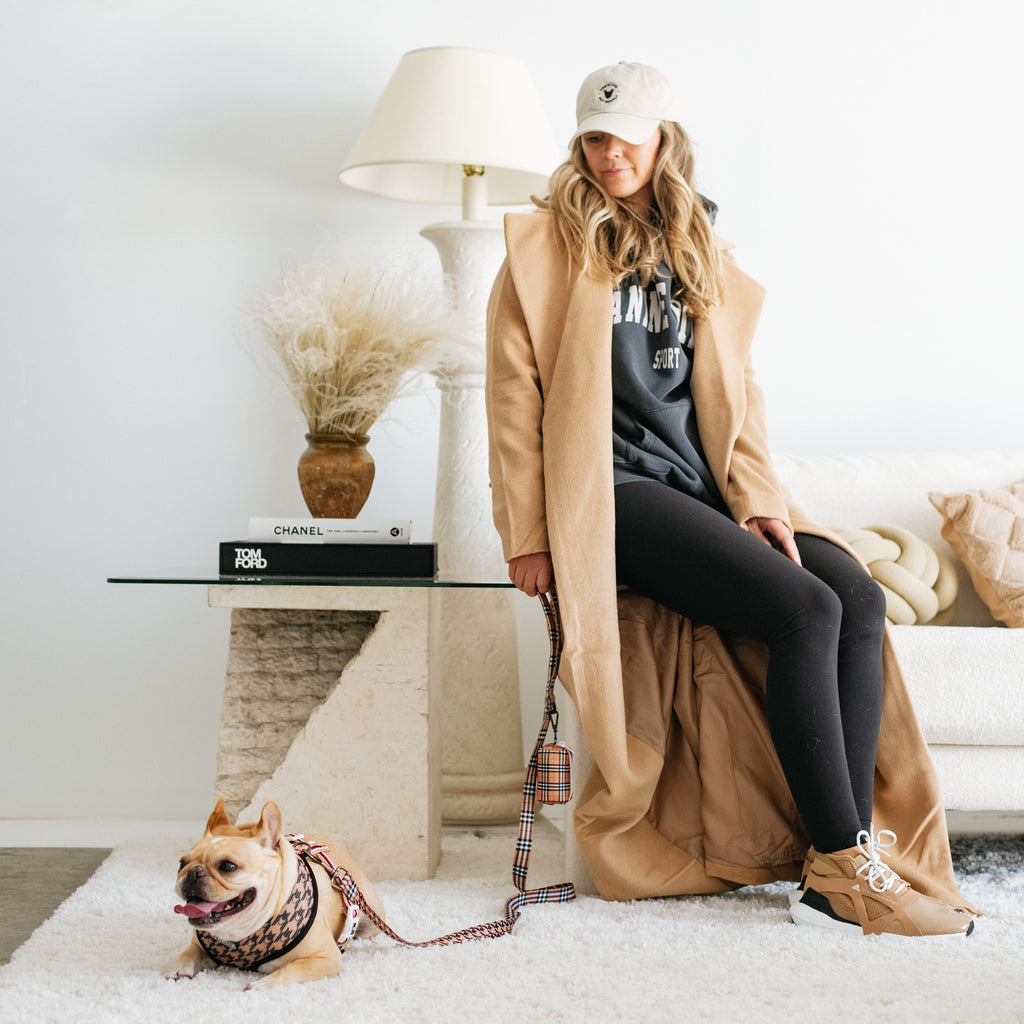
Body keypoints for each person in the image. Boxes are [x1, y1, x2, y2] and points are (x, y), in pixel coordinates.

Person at [485, 61, 975, 937]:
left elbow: (740, 400)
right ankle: (846, 869)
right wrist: (527, 533)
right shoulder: (540, 249)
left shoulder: (702, 250)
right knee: (802, 610)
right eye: (594, 138)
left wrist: (759, 502)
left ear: (664, 140)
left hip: (706, 488)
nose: (609, 154)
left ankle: (840, 862)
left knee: (855, 597)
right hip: (614, 490)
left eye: (626, 138)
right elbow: (512, 399)